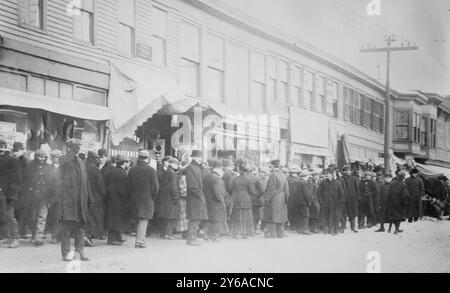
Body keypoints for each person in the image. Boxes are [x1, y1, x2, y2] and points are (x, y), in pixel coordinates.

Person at [59, 139, 94, 261]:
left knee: (80, 228)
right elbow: (62, 167)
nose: (79, 148)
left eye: (79, 146)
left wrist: (90, 198)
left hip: (80, 202)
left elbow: (86, 181)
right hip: (67, 202)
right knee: (66, 227)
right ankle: (66, 253)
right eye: (76, 146)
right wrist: (71, 152)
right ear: (70, 147)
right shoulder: (63, 159)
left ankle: (80, 251)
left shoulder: (80, 161)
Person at [128, 150, 159, 248]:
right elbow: (156, 188)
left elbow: (128, 185)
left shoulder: (132, 170)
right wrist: (153, 197)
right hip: (146, 199)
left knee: (137, 219)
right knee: (143, 219)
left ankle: (138, 239)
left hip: (134, 198)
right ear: (147, 159)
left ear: (139, 158)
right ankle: (140, 241)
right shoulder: (151, 170)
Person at [23, 149, 53, 246]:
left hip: (44, 196)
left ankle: (38, 237)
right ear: (35, 157)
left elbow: (52, 184)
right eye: (39, 157)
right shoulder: (29, 167)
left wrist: (50, 197)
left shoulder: (49, 168)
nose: (41, 159)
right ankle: (33, 234)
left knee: (42, 217)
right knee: (31, 217)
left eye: (43, 157)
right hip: (31, 196)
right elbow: (25, 181)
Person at [104, 154, 130, 246]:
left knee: (113, 218)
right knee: (116, 219)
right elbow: (123, 189)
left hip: (110, 199)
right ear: (124, 163)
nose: (128, 164)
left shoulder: (111, 171)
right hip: (118, 200)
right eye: (127, 162)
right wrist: (126, 198)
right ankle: (112, 239)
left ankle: (118, 237)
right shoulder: (122, 174)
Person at [0, 139, 21, 248]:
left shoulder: (12, 161)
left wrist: (8, 189)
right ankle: (9, 237)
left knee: (9, 215)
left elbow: (17, 178)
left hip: (9, 194)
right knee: (3, 215)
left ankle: (15, 238)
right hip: (2, 193)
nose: (1, 149)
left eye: (2, 147)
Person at [185, 150, 208, 246]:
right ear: (194, 157)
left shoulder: (197, 167)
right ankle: (191, 239)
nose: (201, 159)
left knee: (196, 218)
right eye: (199, 157)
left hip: (197, 196)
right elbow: (192, 184)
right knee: (194, 218)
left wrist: (204, 168)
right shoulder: (191, 168)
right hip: (195, 196)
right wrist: (200, 195)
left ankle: (192, 238)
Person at [84, 151, 107, 246]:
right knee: (95, 217)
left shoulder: (83, 167)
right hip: (95, 197)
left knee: (86, 217)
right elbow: (100, 185)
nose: (98, 160)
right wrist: (104, 193)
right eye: (97, 158)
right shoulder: (96, 169)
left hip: (84, 196)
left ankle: (85, 235)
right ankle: (89, 236)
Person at [229, 159, 255, 239]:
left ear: (239, 171)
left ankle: (235, 232)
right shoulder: (249, 180)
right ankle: (245, 233)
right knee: (246, 216)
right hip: (246, 199)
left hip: (237, 198)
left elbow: (231, 189)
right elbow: (252, 191)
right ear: (246, 171)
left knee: (237, 215)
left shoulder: (235, 179)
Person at [263, 159, 289, 238]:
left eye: (271, 167)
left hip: (274, 198)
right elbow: (287, 189)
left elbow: (270, 189)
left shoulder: (273, 175)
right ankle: (280, 233)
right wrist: (286, 199)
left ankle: (273, 234)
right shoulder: (283, 175)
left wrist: (267, 199)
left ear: (273, 167)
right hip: (282, 197)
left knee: (272, 216)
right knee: (280, 216)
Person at [203, 159, 228, 241]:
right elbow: (217, 192)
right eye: (221, 169)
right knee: (217, 220)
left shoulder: (207, 176)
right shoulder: (216, 178)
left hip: (208, 201)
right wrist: (221, 200)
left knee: (212, 219)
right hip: (216, 203)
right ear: (217, 169)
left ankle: (208, 234)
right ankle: (211, 234)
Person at [156, 156, 180, 240]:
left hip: (164, 197)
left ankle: (164, 233)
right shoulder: (173, 173)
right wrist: (176, 196)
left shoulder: (166, 172)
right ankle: (168, 234)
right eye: (176, 163)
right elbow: (173, 186)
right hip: (171, 197)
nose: (177, 165)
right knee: (171, 217)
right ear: (172, 164)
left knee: (166, 216)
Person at [11, 142, 30, 240]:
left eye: (17, 151)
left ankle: (22, 232)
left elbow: (27, 178)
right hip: (14, 190)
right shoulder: (14, 160)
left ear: (22, 151)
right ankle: (16, 233)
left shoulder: (26, 162)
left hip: (23, 190)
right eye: (14, 150)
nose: (15, 152)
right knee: (14, 212)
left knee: (22, 212)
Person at [317, 169, 343, 235]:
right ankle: (326, 230)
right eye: (327, 174)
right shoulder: (323, 183)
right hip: (325, 203)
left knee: (335, 217)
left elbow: (341, 194)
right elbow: (319, 193)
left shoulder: (338, 183)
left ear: (332, 175)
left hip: (335, 204)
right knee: (325, 216)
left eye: (329, 174)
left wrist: (339, 202)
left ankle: (335, 230)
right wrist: (321, 201)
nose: (328, 175)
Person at [47, 149, 63, 243]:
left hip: (62, 195)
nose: (56, 159)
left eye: (57, 157)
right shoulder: (49, 168)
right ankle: (55, 234)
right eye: (54, 157)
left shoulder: (64, 168)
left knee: (60, 216)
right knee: (53, 216)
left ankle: (57, 235)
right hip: (52, 195)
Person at [385, 170, 408, 234]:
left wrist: (389, 201)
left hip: (392, 202)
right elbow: (404, 195)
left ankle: (389, 228)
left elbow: (389, 193)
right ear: (403, 177)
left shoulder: (392, 183)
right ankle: (396, 230)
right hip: (399, 203)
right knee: (399, 216)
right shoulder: (403, 185)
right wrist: (405, 203)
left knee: (392, 216)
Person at [340, 165, 359, 233]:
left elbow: (357, 189)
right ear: (343, 171)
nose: (347, 172)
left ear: (350, 171)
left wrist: (357, 198)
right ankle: (342, 227)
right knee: (343, 214)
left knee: (352, 214)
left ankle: (353, 227)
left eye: (348, 170)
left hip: (352, 199)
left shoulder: (354, 179)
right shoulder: (341, 179)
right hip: (344, 199)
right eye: (345, 170)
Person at [294, 170, 312, 234]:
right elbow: (306, 194)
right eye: (308, 176)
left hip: (299, 201)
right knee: (306, 215)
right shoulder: (304, 183)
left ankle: (299, 229)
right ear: (306, 176)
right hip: (304, 202)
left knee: (300, 215)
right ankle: (305, 229)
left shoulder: (299, 182)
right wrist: (309, 201)